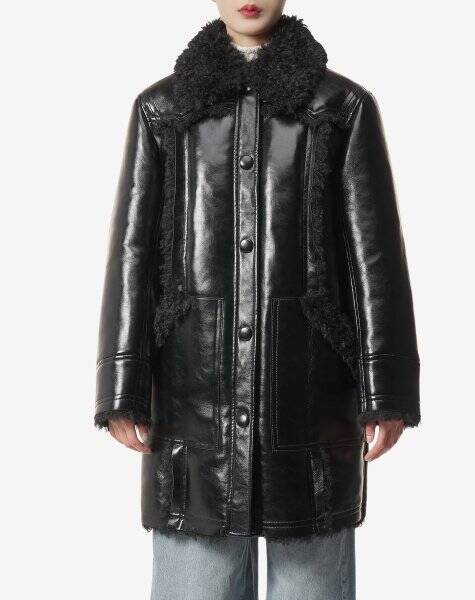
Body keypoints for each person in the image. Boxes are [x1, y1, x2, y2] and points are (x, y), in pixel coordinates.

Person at [94, 1, 420, 598]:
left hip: (312, 403)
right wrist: (121, 387)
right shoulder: (163, 110)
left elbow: (374, 257)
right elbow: (132, 255)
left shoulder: (339, 107)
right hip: (193, 408)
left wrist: (388, 390)